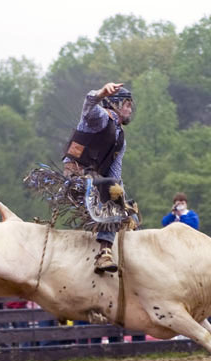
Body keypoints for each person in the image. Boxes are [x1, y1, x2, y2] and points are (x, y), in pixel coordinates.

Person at [63, 82, 134, 273]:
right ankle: (104, 253)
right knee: (113, 192)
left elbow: (115, 174)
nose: (130, 109)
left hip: (97, 182)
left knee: (128, 207)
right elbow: (89, 106)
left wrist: (123, 199)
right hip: (76, 176)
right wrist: (102, 93)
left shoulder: (121, 139)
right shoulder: (100, 118)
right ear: (116, 104)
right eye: (127, 104)